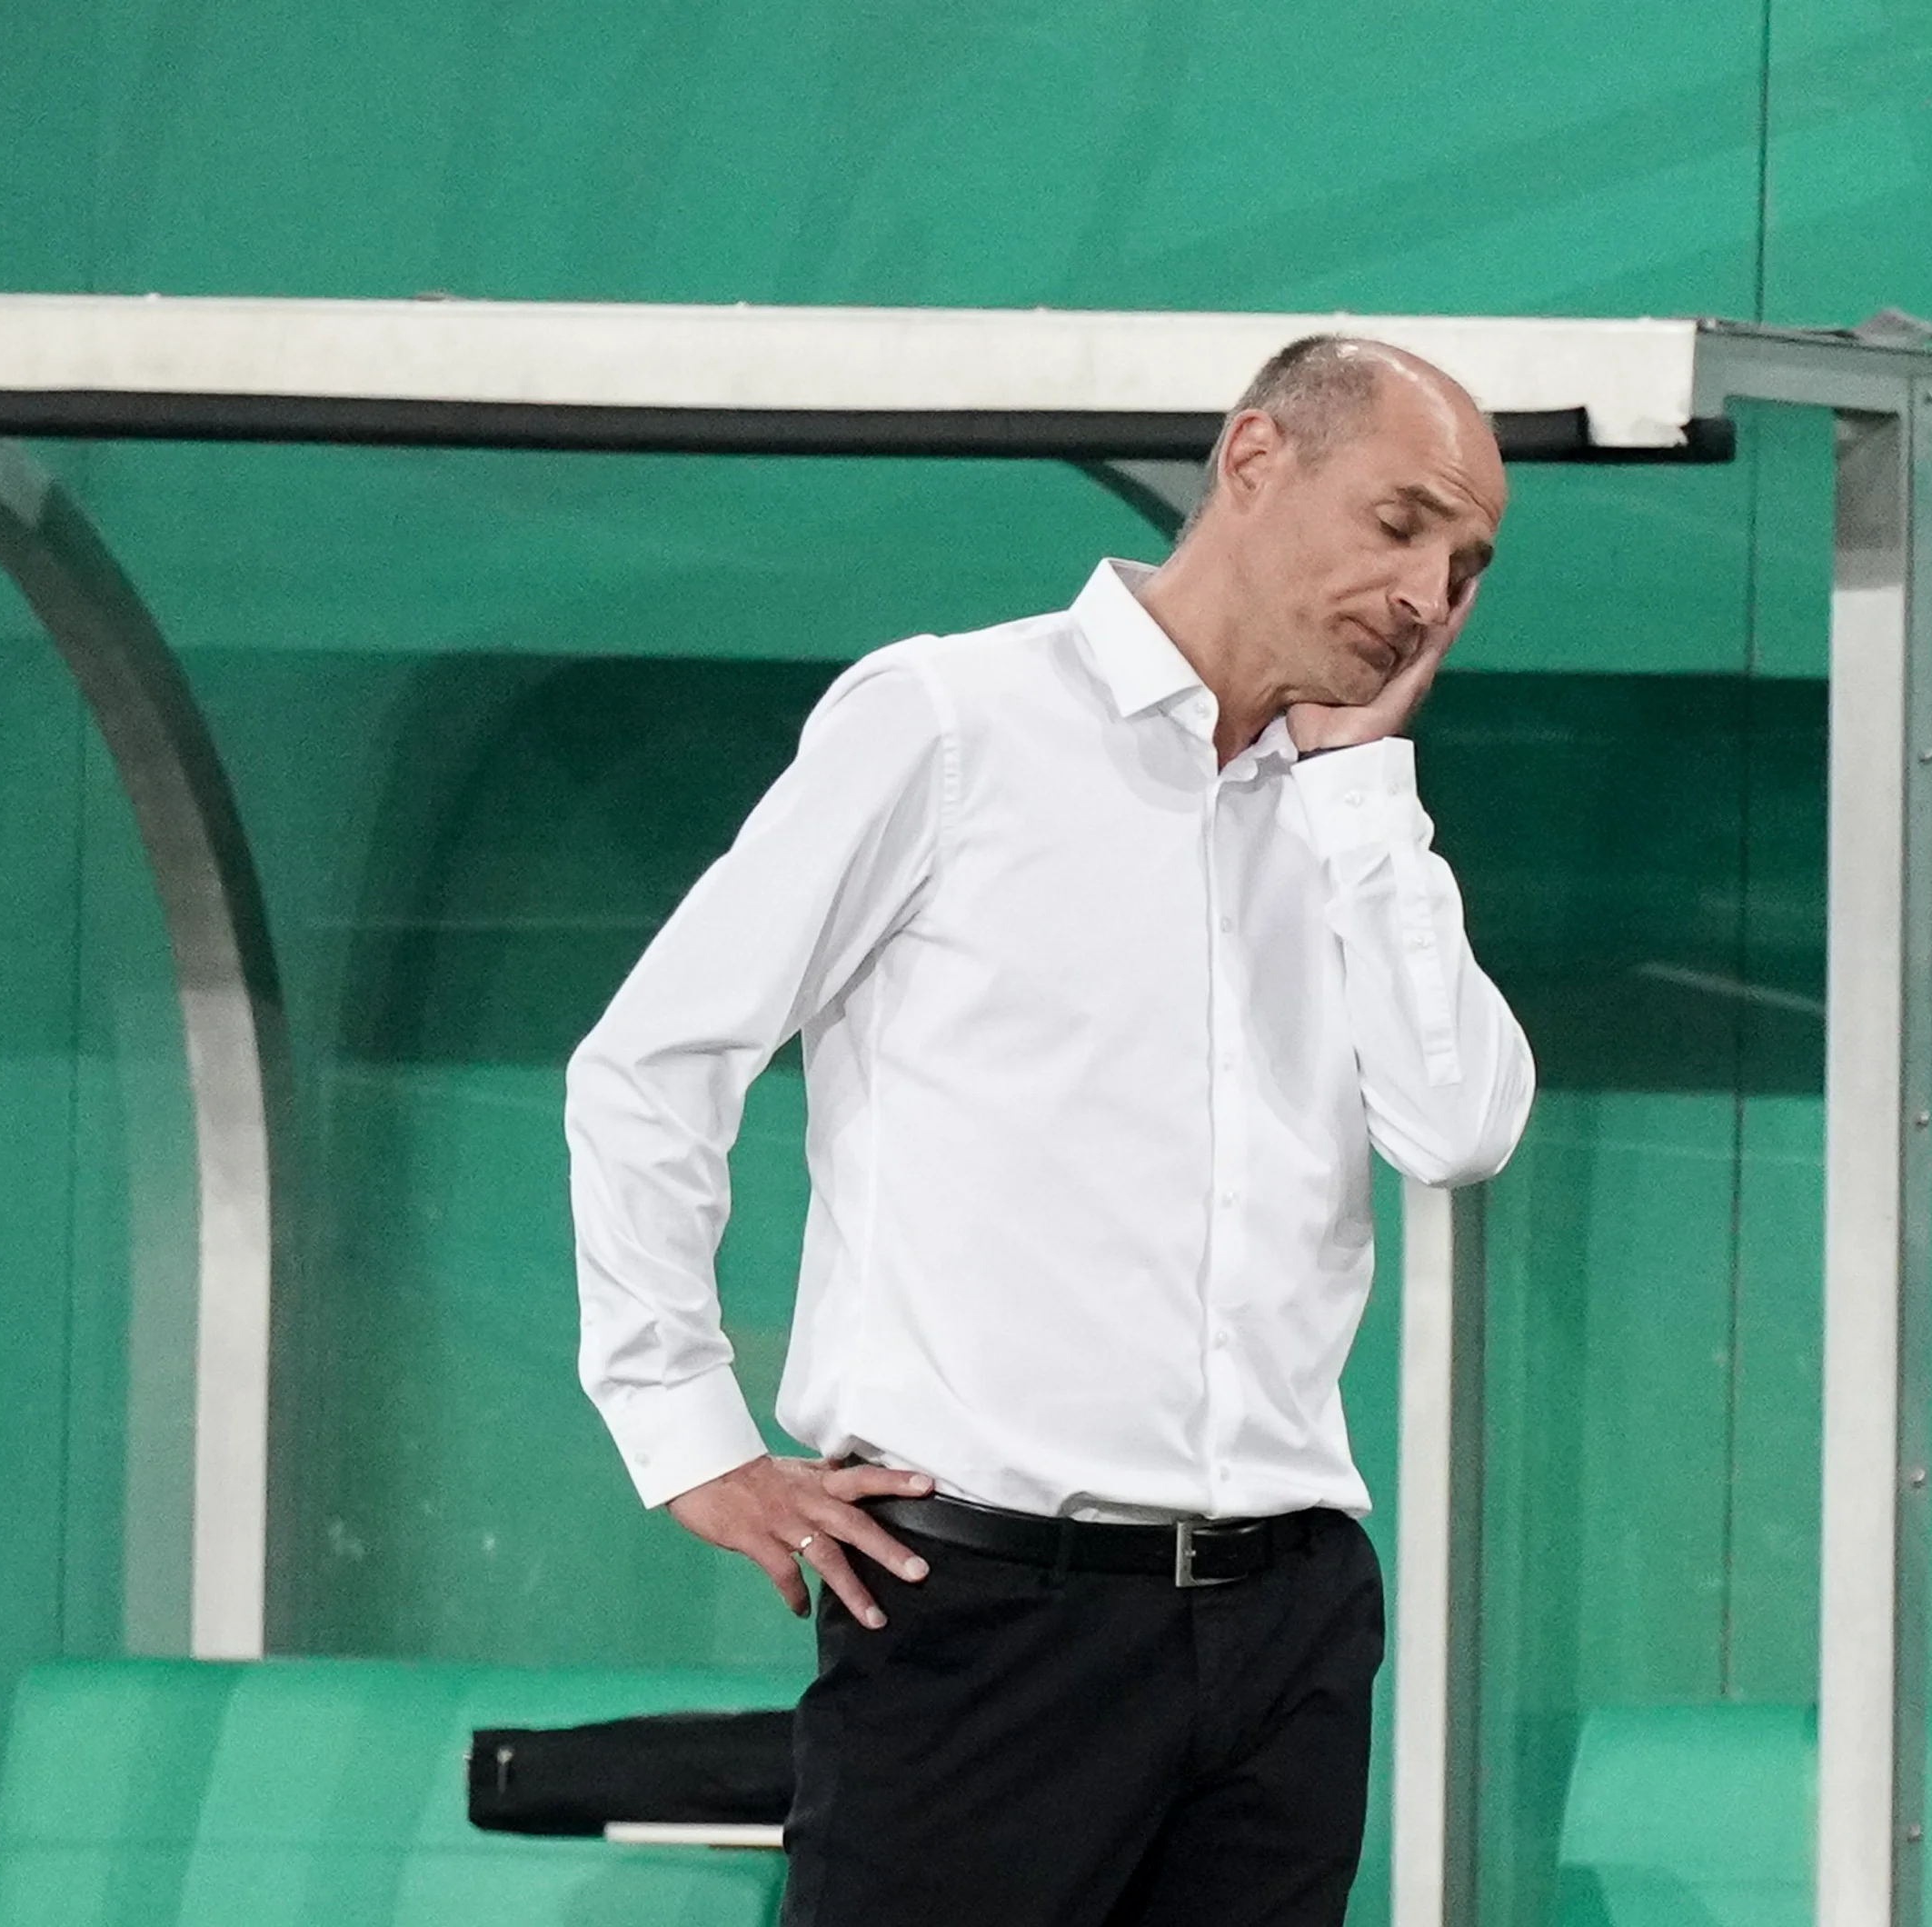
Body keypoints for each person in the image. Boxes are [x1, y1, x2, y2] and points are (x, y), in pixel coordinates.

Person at [564, 334, 1536, 1926]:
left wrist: (1368, 791)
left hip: (1286, 1625)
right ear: (1253, 461)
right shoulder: (950, 722)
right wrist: (689, 1436)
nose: (1429, 594)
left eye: (1468, 565)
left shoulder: (1350, 819)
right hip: (989, 1616)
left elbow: (1458, 1129)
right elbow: (654, 1057)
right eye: (1401, 524)